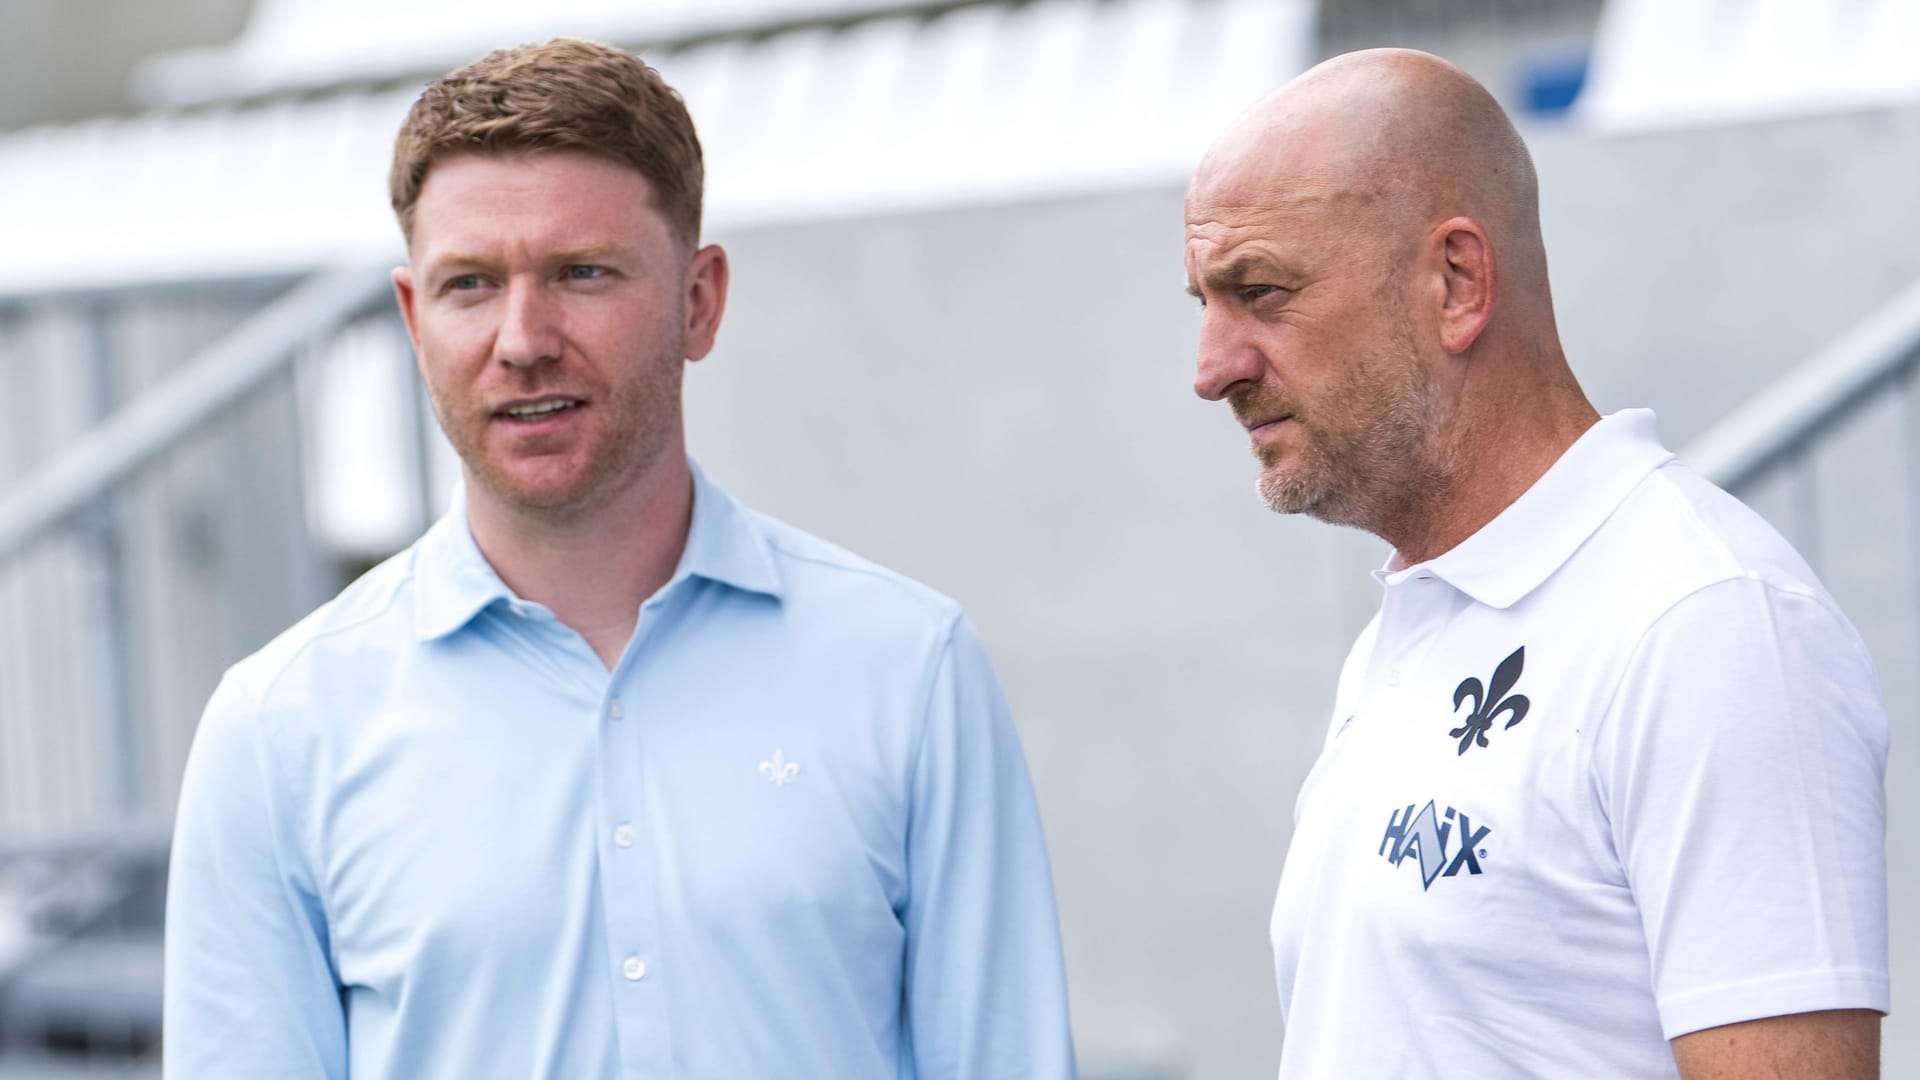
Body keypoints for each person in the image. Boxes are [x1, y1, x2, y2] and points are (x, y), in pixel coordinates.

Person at [163, 38, 1076, 1079]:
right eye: (470, 284)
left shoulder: (908, 670)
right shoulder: (280, 729)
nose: (522, 338)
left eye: (580, 273)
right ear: (415, 321)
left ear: (699, 302)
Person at [1185, 49, 1888, 1079]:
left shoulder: (1709, 622)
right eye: (1203, 301)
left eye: (1260, 291)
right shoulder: (1416, 623)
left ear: (1458, 282)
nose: (1212, 368)